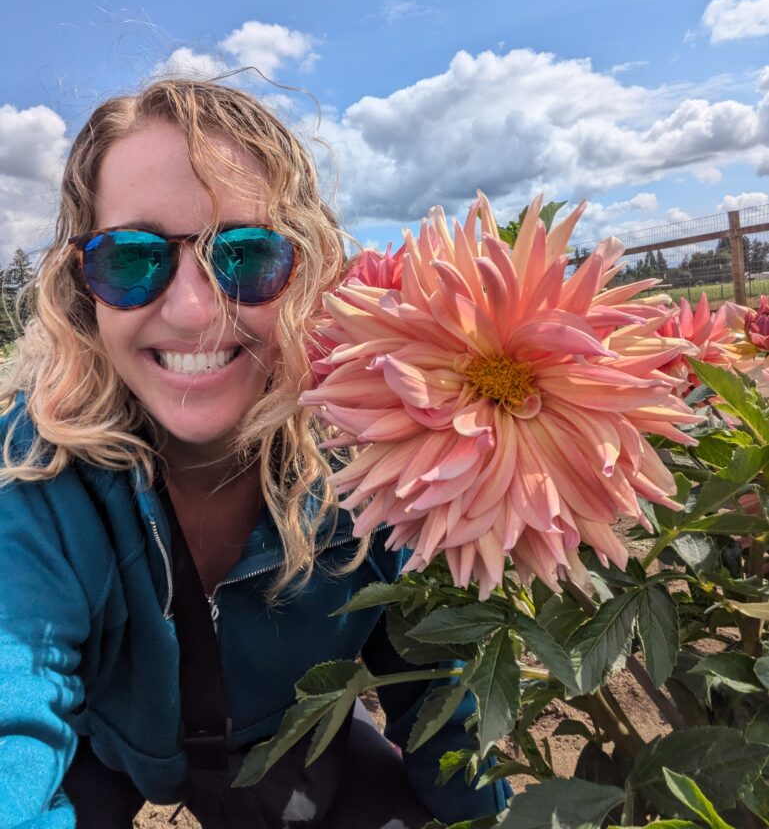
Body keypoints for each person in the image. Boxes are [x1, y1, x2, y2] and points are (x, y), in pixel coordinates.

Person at [0, 79, 509, 828]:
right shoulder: (36, 465)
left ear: (304, 271)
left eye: (243, 255)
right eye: (133, 260)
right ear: (84, 289)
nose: (194, 310)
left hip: (294, 745)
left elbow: (439, 694)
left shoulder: (379, 457)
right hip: (100, 750)